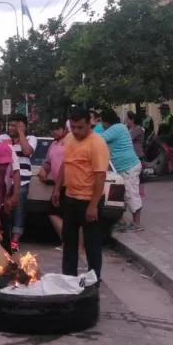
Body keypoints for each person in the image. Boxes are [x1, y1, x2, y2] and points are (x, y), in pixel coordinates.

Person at [53, 108, 109, 280]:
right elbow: (65, 164)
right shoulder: (69, 138)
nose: (76, 131)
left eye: (80, 127)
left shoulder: (97, 144)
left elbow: (100, 176)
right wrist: (57, 188)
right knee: (69, 242)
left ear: (89, 124)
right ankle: (69, 279)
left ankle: (93, 280)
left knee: (92, 244)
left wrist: (93, 206)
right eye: (73, 127)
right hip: (70, 197)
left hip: (89, 200)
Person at [99, 108, 143, 231]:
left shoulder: (116, 128)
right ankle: (121, 220)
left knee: (131, 194)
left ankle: (137, 223)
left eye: (102, 121)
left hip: (128, 167)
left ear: (106, 121)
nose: (101, 124)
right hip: (123, 167)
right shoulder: (119, 127)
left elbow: (99, 140)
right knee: (119, 195)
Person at [0, 115, 36, 253]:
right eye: (10, 125)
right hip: (5, 180)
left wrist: (21, 133)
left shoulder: (31, 139)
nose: (11, 128)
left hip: (23, 180)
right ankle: (2, 237)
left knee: (19, 211)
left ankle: (15, 239)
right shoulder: (3, 138)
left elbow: (27, 151)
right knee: (2, 209)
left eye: (15, 125)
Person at [36, 118, 68, 249]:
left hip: (68, 183)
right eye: (52, 129)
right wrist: (43, 169)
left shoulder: (69, 141)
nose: (54, 132)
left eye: (57, 129)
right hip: (57, 184)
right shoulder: (54, 144)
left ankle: (68, 242)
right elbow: (48, 162)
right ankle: (67, 242)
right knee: (55, 213)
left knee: (56, 213)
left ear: (64, 129)